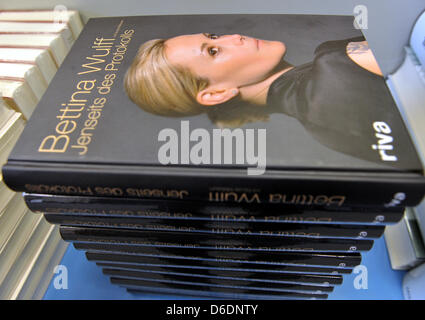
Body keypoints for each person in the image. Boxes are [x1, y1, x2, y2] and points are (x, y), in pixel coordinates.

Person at [124, 33, 403, 164]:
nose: (234, 37)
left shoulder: (317, 125)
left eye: (215, 36)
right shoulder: (333, 65)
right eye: (213, 51)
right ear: (217, 93)